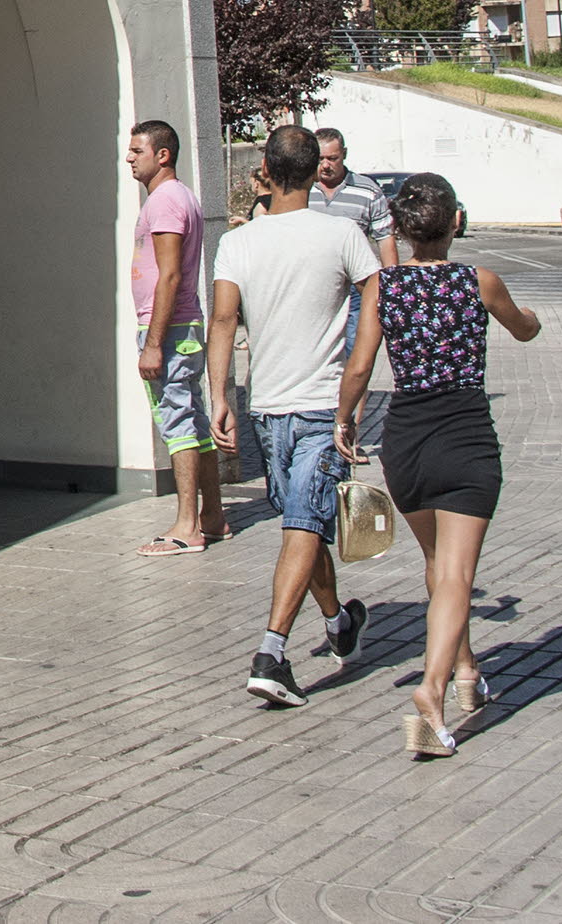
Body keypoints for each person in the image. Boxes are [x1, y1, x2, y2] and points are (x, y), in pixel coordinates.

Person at [335, 172, 540, 757]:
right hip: (465, 440)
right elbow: (523, 331)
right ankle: (432, 690)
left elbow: (359, 365)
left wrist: (345, 421)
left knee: (436, 563)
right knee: (455, 575)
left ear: (399, 228)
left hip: (406, 443)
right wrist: (531, 317)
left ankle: (468, 669)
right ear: (456, 223)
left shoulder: (385, 288)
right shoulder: (481, 282)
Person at [208, 124, 379, 707]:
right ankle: (336, 623)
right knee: (304, 526)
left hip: (270, 408)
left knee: (302, 522)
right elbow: (374, 317)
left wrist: (220, 397)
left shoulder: (238, 243)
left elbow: (224, 323)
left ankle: (271, 651)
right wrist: (352, 400)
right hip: (315, 406)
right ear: (316, 172)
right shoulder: (344, 234)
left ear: (265, 170)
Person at [127, 120, 225, 555]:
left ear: (162, 155)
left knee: (178, 422)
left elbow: (169, 275)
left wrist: (153, 343)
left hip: (167, 329)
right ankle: (214, 516)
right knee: (194, 421)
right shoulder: (177, 196)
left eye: (137, 151)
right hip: (181, 327)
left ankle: (188, 526)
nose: (129, 158)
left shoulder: (165, 201)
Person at [310, 128, 399, 267]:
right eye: (320, 159)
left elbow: (385, 239)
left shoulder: (369, 191)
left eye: (332, 158)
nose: (326, 165)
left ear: (344, 154)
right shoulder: (302, 190)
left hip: (355, 281)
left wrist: (391, 281)